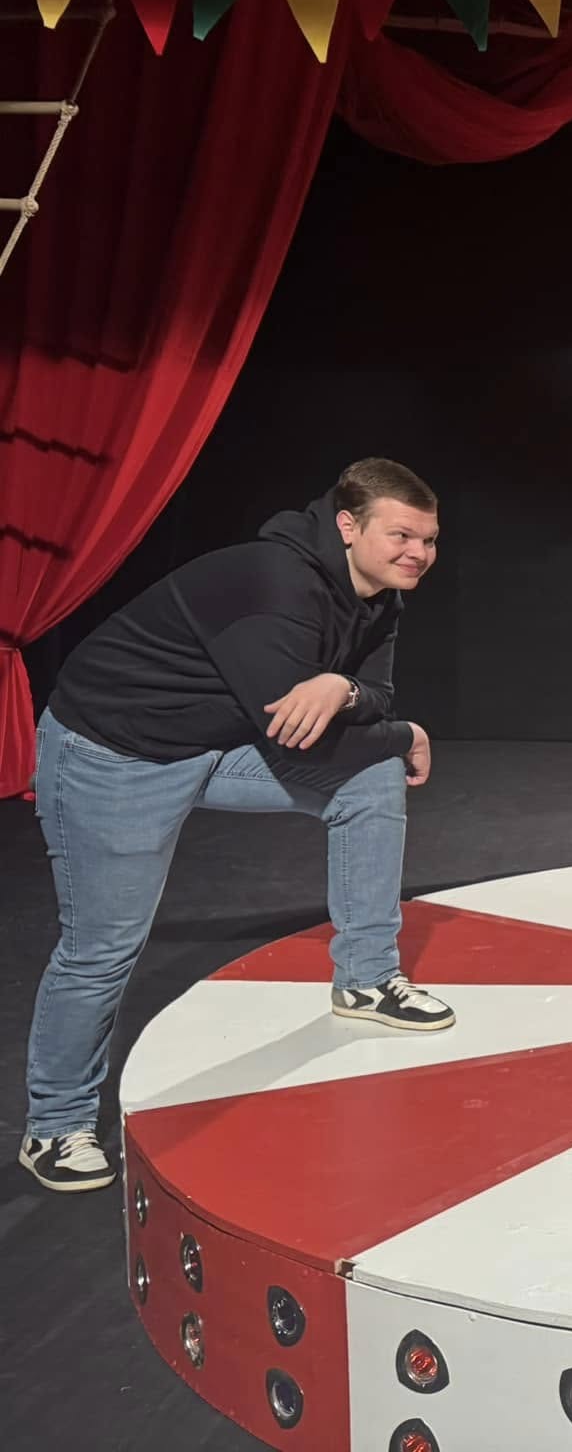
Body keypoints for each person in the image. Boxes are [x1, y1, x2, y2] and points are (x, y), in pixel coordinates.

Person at [20, 459, 454, 1195]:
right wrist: (405, 731)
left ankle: (367, 979)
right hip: (115, 757)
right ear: (348, 527)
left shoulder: (380, 596)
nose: (418, 553)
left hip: (210, 745)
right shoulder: (274, 582)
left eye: (430, 539)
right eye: (401, 536)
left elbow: (373, 693)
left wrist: (342, 687)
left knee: (370, 776)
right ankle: (54, 1125)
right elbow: (297, 732)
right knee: (102, 948)